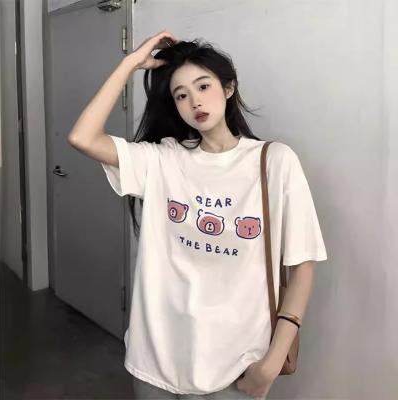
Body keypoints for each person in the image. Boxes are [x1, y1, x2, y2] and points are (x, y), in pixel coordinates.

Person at [68, 30, 328, 400]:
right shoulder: (164, 160)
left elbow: (302, 266)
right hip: (154, 363)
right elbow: (82, 137)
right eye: (181, 94)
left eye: (203, 86)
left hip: (235, 368)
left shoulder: (274, 162)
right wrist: (130, 63)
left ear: (228, 88)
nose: (195, 101)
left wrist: (271, 364)